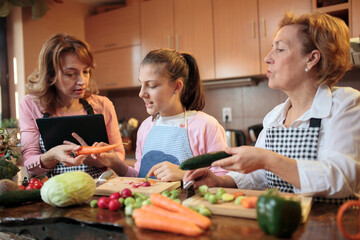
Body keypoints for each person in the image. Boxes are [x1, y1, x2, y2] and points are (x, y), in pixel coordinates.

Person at [183, 12, 360, 203]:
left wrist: (267, 159)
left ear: (311, 58)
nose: (267, 58)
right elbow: (258, 175)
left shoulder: (345, 104)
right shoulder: (275, 116)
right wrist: (220, 180)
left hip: (330, 226)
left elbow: (342, 178)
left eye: (280, 49)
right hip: (281, 224)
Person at [92, 48, 228, 181]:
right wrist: (116, 163)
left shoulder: (205, 126)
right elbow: (140, 177)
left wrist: (183, 175)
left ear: (177, 87)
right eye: (141, 84)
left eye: (151, 85)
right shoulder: (146, 126)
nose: (141, 93)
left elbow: (221, 181)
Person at [19, 33, 125, 179]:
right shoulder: (30, 105)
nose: (83, 81)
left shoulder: (103, 105)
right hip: (52, 192)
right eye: (71, 74)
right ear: (50, 75)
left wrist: (100, 161)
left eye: (86, 71)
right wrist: (51, 156)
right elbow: (29, 164)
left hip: (97, 191)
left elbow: (119, 154)